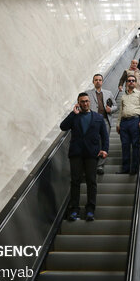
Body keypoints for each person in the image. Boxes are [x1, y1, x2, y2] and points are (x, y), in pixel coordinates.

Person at [60, 93, 109, 222]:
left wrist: (105, 149)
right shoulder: (75, 117)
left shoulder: (98, 117)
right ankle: (74, 209)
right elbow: (63, 127)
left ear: (89, 102)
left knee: (91, 182)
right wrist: (72, 114)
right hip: (76, 153)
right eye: (82, 101)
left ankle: (90, 210)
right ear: (78, 103)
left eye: (87, 101)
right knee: (75, 181)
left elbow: (104, 135)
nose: (85, 103)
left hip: (92, 154)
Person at [85, 74, 117, 175]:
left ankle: (100, 165)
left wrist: (110, 109)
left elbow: (116, 106)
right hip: (92, 121)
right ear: (93, 82)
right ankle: (92, 164)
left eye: (100, 80)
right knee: (93, 142)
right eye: (96, 80)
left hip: (105, 120)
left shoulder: (108, 93)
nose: (98, 81)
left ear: (102, 82)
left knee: (104, 142)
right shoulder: (87, 93)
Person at [116, 74, 140, 175]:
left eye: (133, 80)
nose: (131, 82)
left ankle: (134, 168)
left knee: (135, 145)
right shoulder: (124, 96)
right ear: (126, 83)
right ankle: (125, 168)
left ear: (135, 82)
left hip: (135, 120)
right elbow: (121, 110)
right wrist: (118, 123)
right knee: (125, 145)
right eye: (129, 81)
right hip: (124, 122)